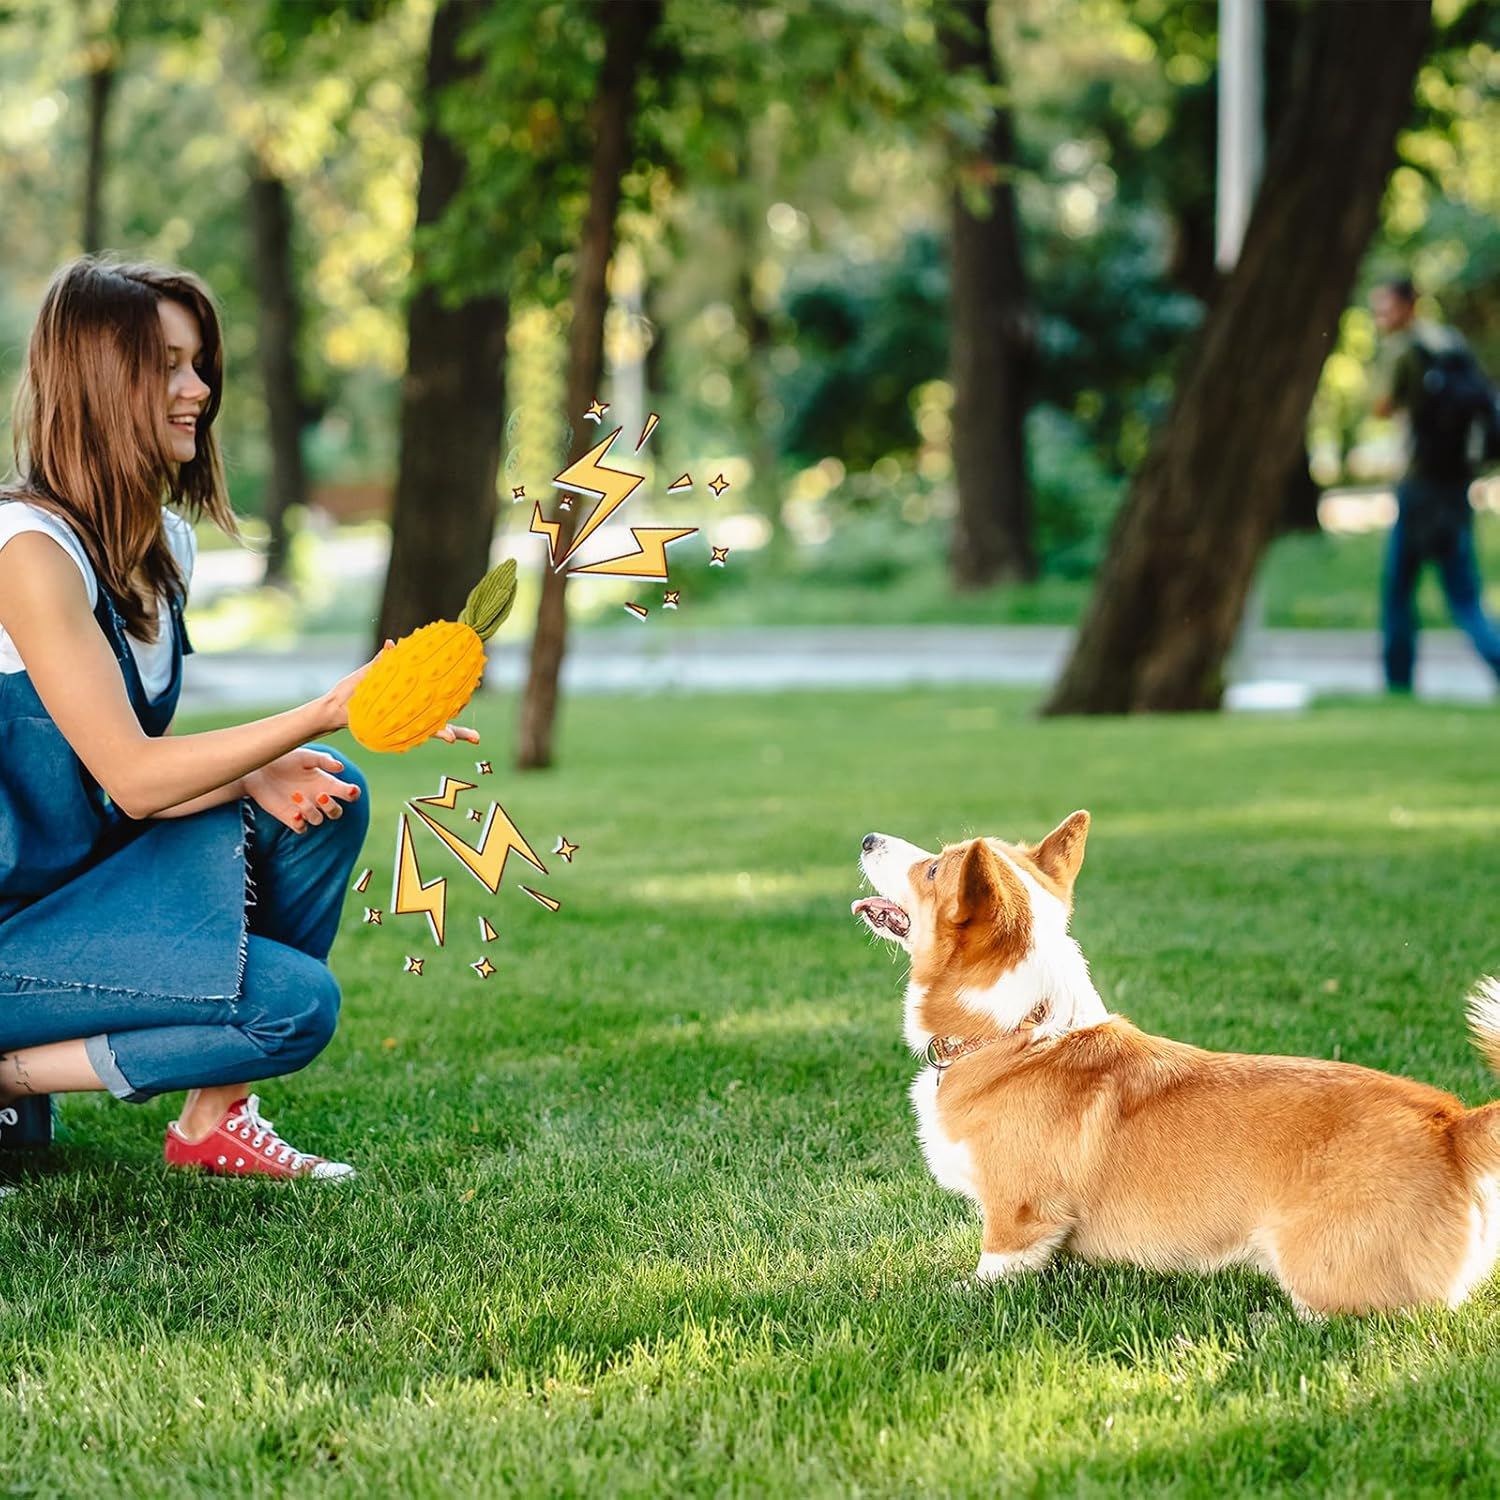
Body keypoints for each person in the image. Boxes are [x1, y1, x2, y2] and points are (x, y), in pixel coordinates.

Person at [0, 257, 475, 1180]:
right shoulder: (26, 552)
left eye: (199, 362)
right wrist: (324, 711)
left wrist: (258, 773)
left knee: (325, 797)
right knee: (292, 1007)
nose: (199, 389)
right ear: (98, 380)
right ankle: (12, 1074)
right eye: (170, 365)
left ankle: (211, 1121)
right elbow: (134, 777)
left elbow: (112, 768)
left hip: (69, 894)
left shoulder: (158, 544)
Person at [1370, 275, 1500, 694]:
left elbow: (1382, 406)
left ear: (1408, 305)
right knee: (1464, 595)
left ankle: (1398, 684)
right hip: (1455, 485)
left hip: (1419, 487)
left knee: (1398, 592)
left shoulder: (1406, 350)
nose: (1380, 317)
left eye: (1386, 307)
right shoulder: (1449, 343)